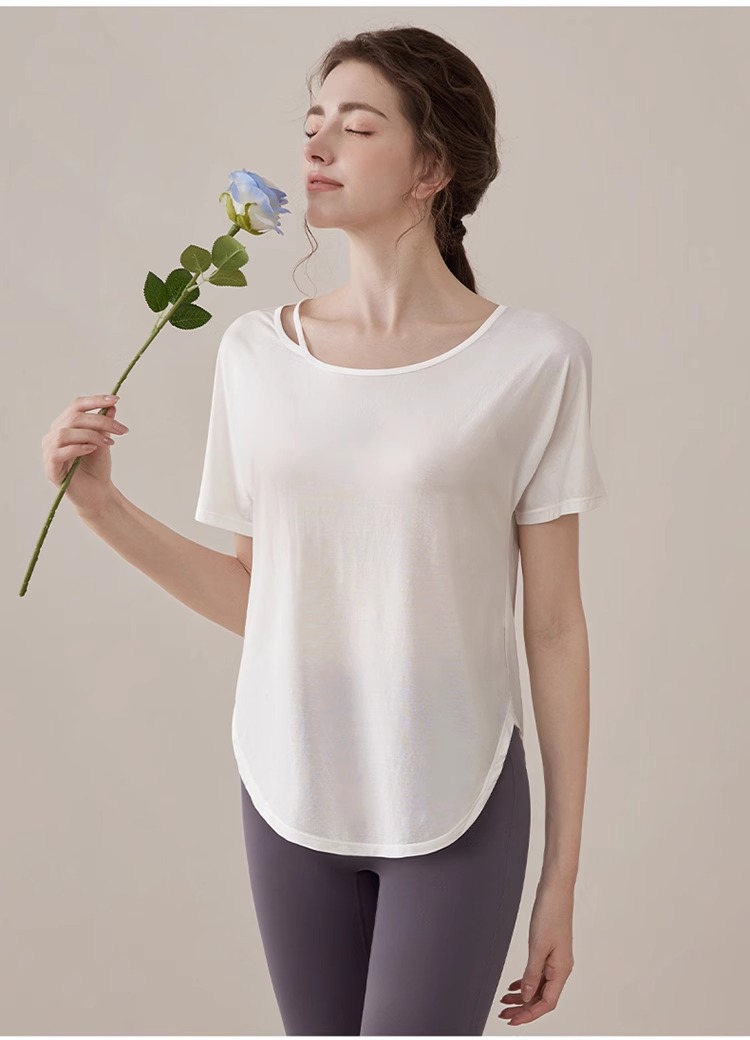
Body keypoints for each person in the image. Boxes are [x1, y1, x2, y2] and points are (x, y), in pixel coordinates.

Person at [41, 26, 607, 1037]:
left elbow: (555, 625)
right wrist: (99, 507)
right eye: (313, 123)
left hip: (458, 790)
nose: (317, 146)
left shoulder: (534, 360)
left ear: (432, 167)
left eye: (357, 126)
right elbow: (262, 601)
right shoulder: (255, 354)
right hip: (288, 785)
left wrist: (561, 876)